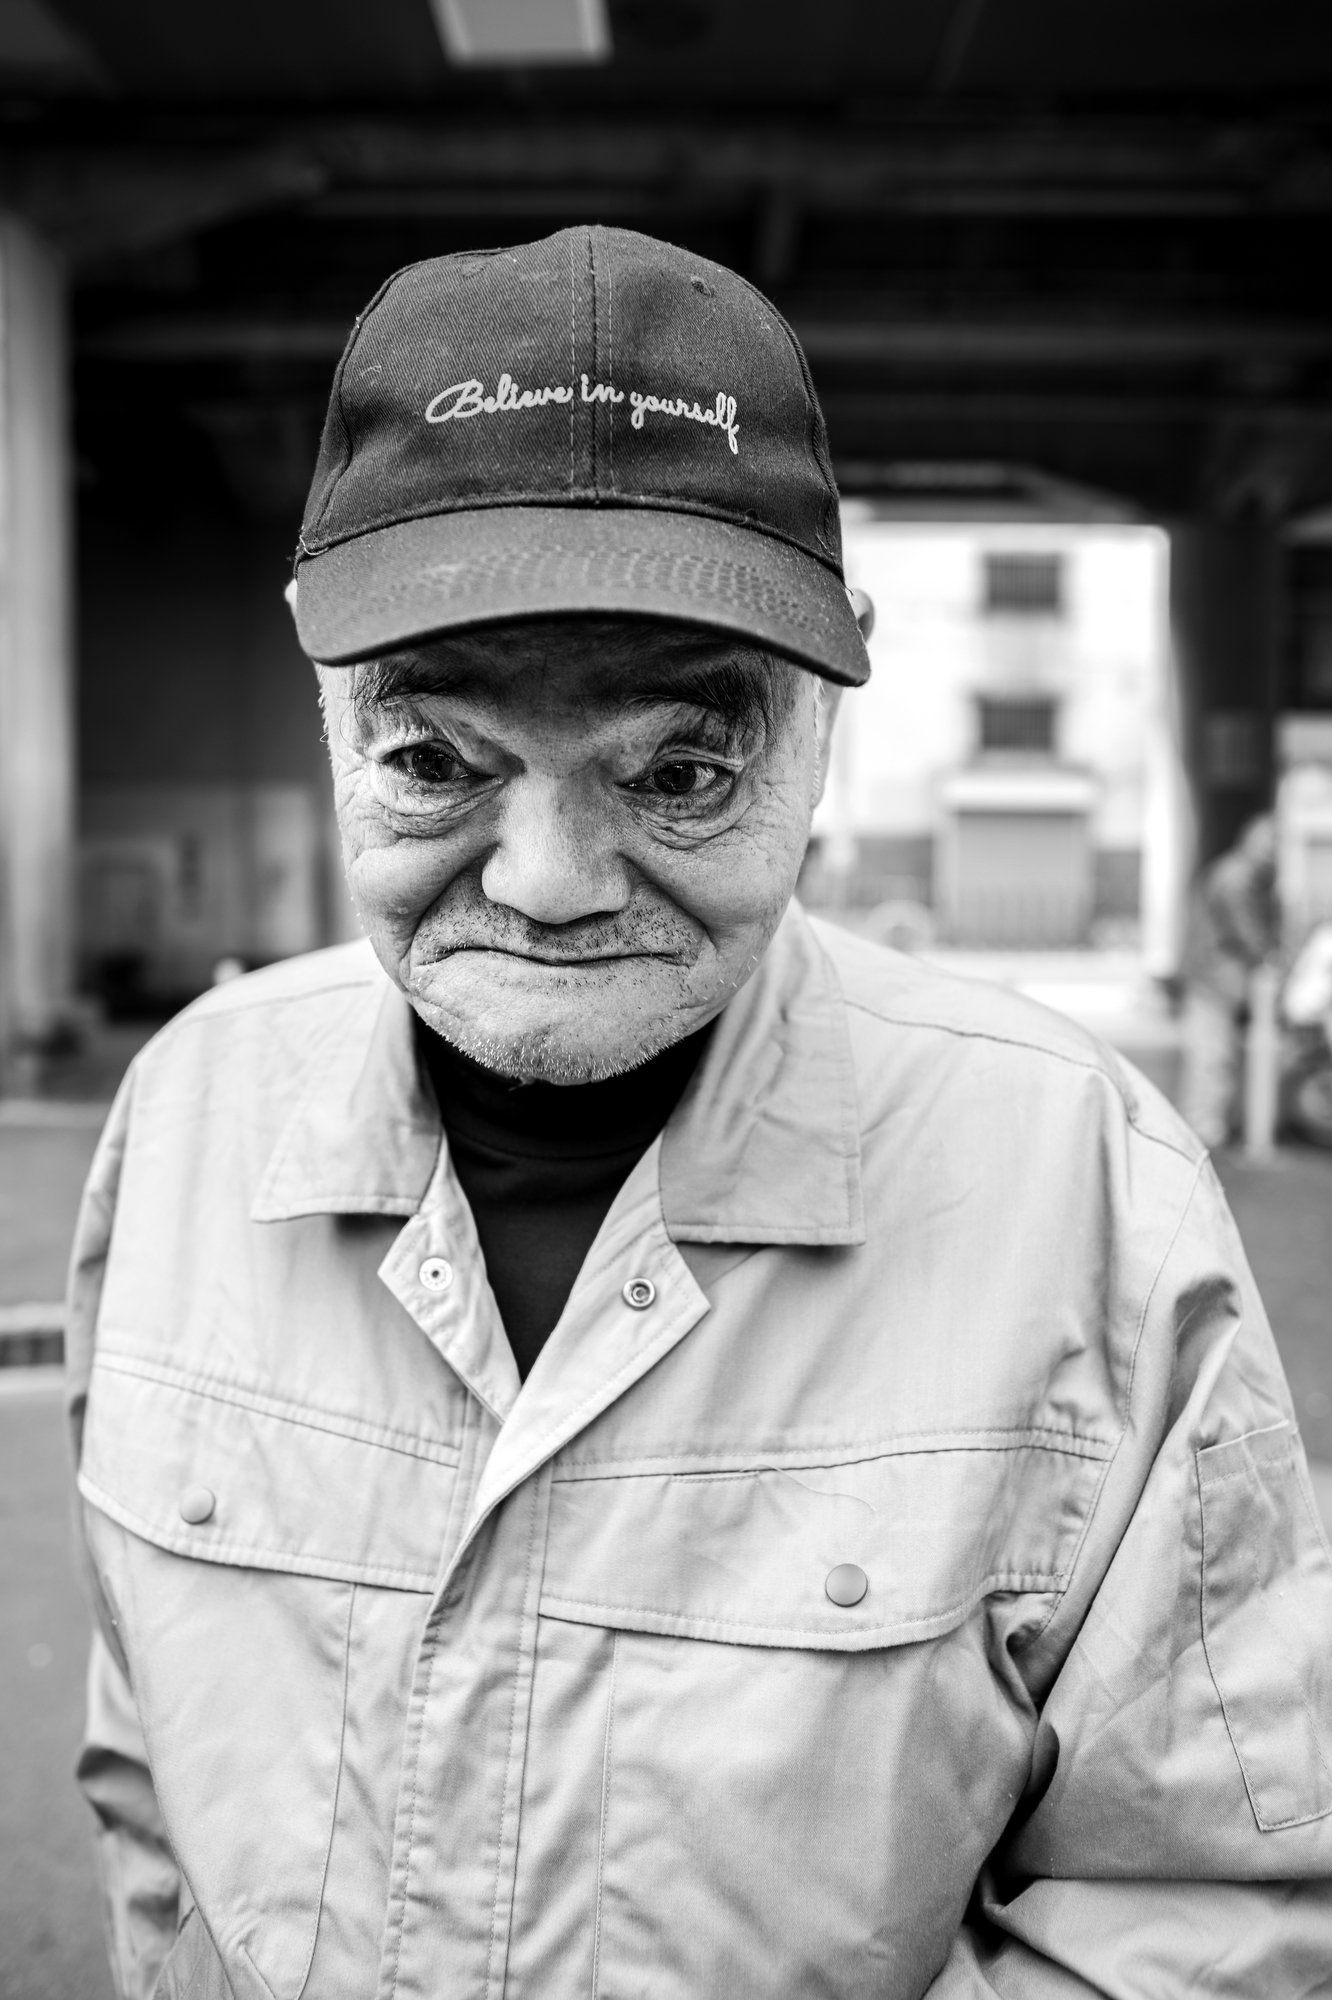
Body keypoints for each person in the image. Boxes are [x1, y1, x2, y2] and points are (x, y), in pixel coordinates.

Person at [68, 229, 1332, 2000]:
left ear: (830, 721)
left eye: (679, 770)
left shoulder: (1080, 1187)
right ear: (323, 694)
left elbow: (1213, 1907)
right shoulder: (192, 1112)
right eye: (436, 760)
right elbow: (157, 1796)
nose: (550, 880)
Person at [1178, 812, 1280, 1149]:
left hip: (1220, 980)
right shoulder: (1236, 877)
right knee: (1212, 1056)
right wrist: (1271, 956)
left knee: (1221, 1056)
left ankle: (1212, 1123)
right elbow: (1246, 929)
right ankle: (1203, 1127)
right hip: (1214, 979)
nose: (1274, 852)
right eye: (1271, 842)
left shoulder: (1238, 873)